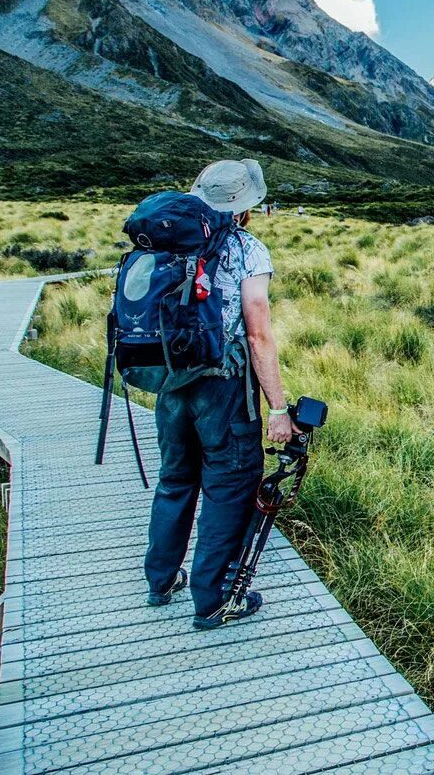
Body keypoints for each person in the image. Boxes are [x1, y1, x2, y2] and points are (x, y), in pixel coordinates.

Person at [142, 159, 300, 629]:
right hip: (224, 385)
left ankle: (161, 579)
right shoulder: (247, 249)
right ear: (244, 207)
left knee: (175, 479)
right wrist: (277, 407)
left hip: (170, 383)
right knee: (229, 486)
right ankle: (213, 599)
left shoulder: (166, 246)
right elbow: (258, 336)